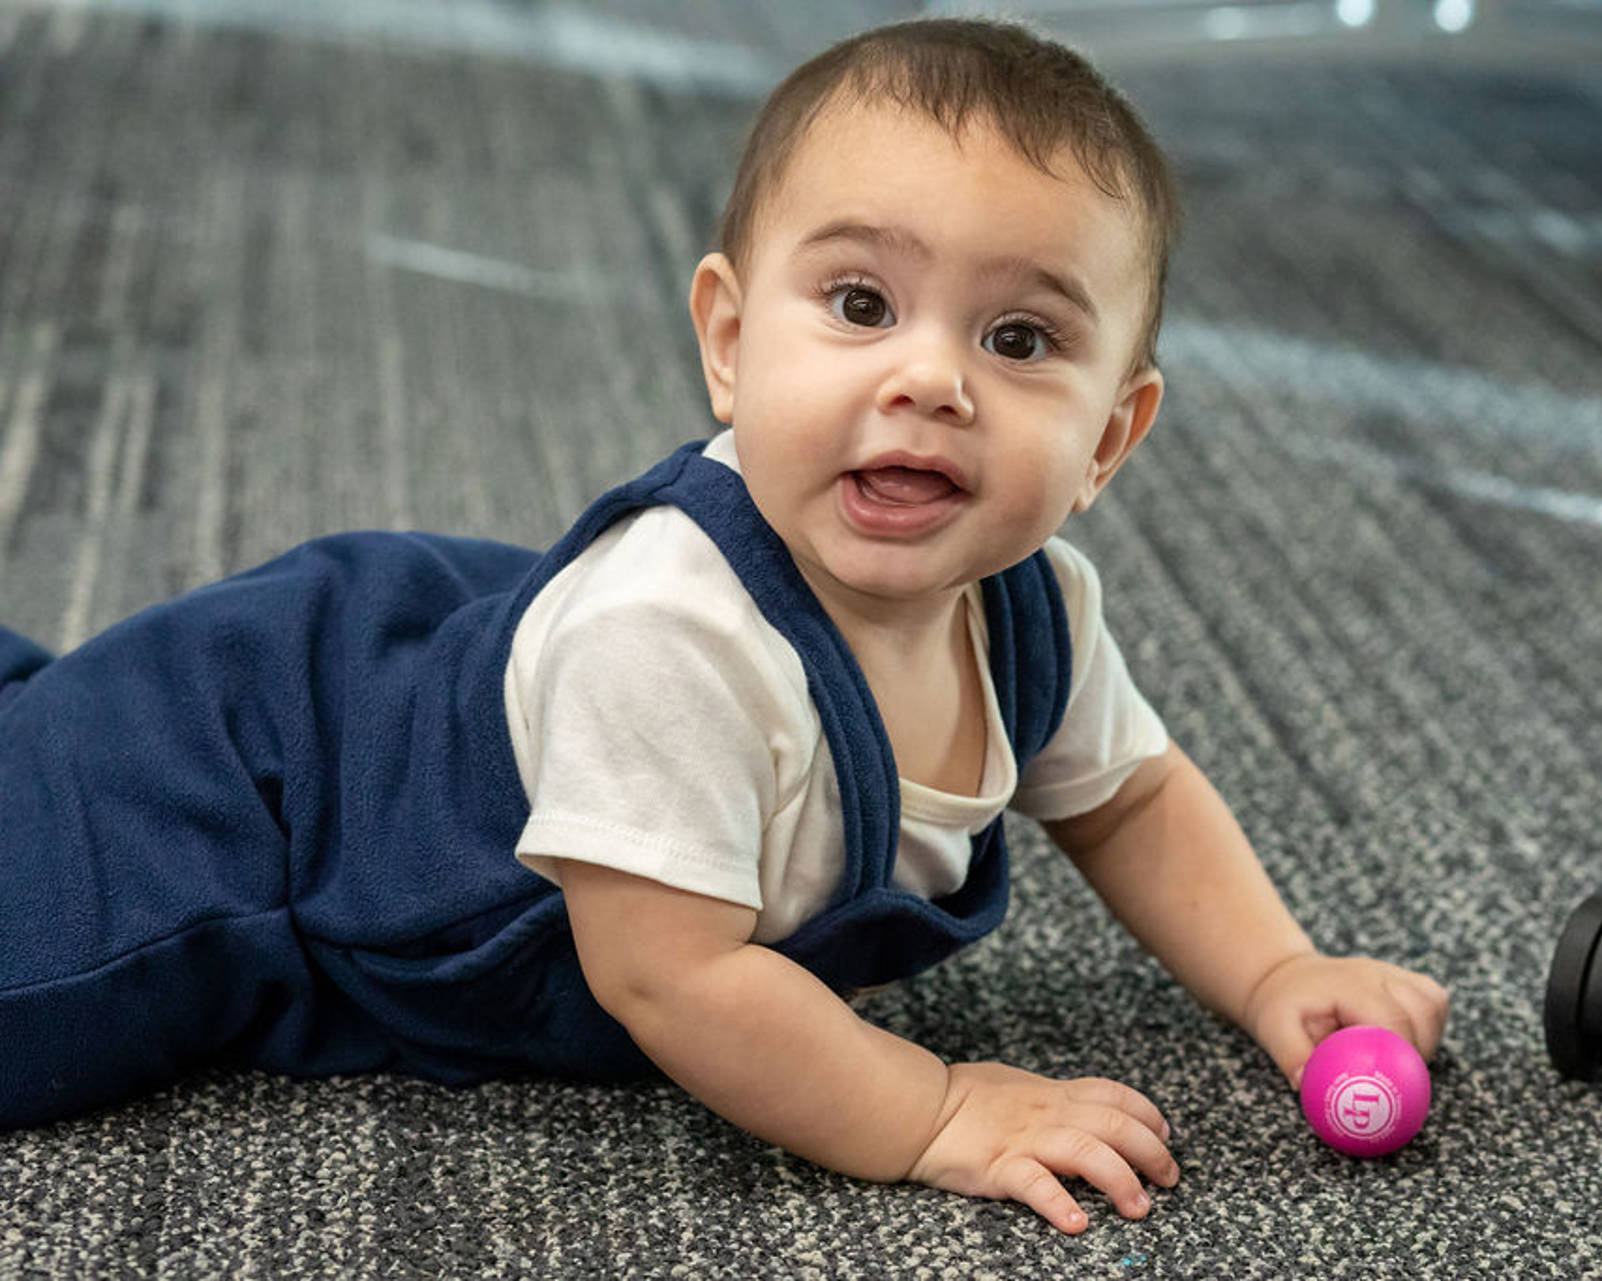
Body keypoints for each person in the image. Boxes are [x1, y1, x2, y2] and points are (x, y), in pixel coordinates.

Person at [0, 18, 1446, 1232]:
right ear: (732, 341)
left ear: (1112, 438)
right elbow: (667, 971)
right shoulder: (675, 636)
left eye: (1020, 340)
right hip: (271, 785)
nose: (933, 378)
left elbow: (1131, 799)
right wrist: (929, 1104)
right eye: (862, 302)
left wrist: (1275, 967)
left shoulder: (1034, 610)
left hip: (454, 672)